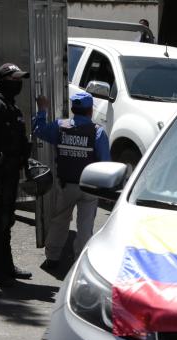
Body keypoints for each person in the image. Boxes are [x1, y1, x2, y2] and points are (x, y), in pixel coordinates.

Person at [32, 92, 108, 270]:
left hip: (66, 185)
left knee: (60, 220)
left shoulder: (60, 126)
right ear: (90, 111)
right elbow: (105, 163)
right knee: (85, 225)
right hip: (90, 187)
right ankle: (80, 263)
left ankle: (52, 258)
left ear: (73, 109)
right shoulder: (97, 132)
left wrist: (42, 110)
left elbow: (38, 130)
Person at [0, 63, 32, 288]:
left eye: (20, 79)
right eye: (14, 79)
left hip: (10, 172)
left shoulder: (9, 105)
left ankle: (6, 266)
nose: (18, 83)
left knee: (7, 220)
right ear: (3, 81)